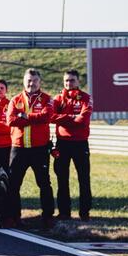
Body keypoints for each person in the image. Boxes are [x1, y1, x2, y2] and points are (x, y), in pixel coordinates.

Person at [6, 68, 57, 229]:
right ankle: (14, 217)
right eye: (28, 80)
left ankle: (48, 217)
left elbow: (47, 117)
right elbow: (11, 120)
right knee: (13, 184)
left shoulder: (47, 99)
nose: (31, 83)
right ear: (24, 81)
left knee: (44, 184)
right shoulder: (15, 99)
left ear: (40, 82)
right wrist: (33, 119)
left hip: (39, 149)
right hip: (18, 148)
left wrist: (25, 116)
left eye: (34, 80)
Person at [52, 70, 93, 221]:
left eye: (72, 80)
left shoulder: (86, 98)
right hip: (62, 143)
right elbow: (51, 116)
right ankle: (64, 212)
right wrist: (71, 117)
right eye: (66, 81)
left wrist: (63, 119)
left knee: (84, 178)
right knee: (62, 178)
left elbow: (83, 120)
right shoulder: (57, 99)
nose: (69, 83)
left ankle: (84, 213)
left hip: (80, 144)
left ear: (78, 82)